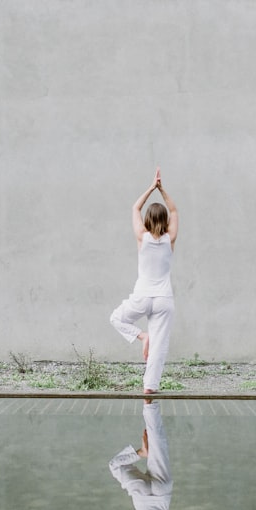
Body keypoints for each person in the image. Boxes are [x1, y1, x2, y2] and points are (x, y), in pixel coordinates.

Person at [109, 167, 179, 394]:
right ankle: (150, 387)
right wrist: (163, 189)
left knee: (116, 318)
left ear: (148, 220)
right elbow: (174, 209)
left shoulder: (142, 237)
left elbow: (135, 207)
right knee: (159, 346)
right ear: (165, 221)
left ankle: (141, 336)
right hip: (163, 299)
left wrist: (151, 187)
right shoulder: (170, 239)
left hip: (142, 296)